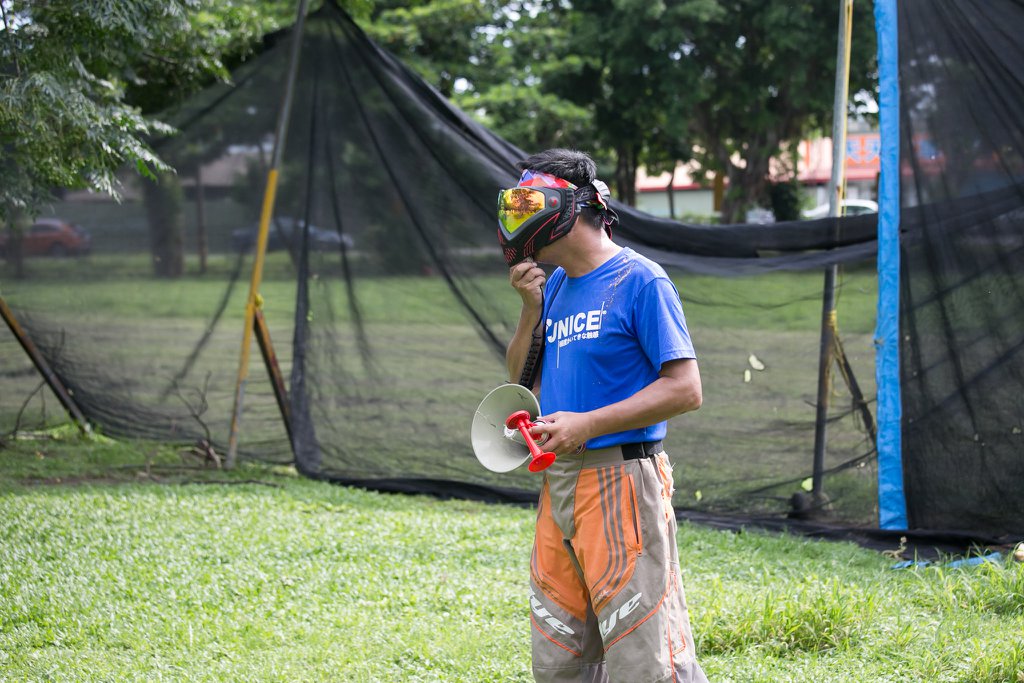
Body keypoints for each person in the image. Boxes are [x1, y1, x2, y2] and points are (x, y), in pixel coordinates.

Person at [499, 148, 708, 683]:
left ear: (566, 208)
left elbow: (685, 390)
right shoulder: (558, 287)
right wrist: (529, 310)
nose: (517, 217)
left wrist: (585, 425)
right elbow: (523, 380)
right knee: (560, 651)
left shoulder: (642, 280)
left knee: (643, 653)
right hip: (562, 485)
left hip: (623, 483)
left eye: (528, 201)